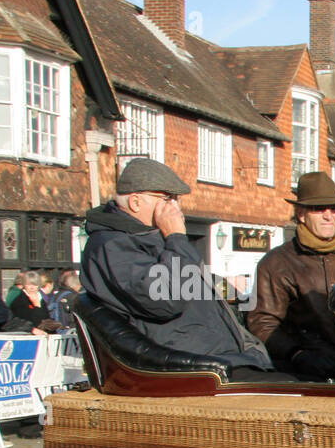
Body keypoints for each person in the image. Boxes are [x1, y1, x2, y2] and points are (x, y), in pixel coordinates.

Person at [80, 158, 275, 376]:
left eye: (177, 199)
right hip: (192, 367)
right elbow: (166, 299)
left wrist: (232, 291)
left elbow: (193, 281)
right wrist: (175, 237)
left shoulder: (152, 240)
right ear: (135, 202)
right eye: (167, 198)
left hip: (227, 357)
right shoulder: (113, 245)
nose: (176, 207)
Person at [249, 172, 335, 380]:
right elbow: (263, 322)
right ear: (301, 214)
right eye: (319, 209)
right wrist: (298, 354)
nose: (329, 215)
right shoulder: (276, 263)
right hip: (303, 372)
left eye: (334, 208)